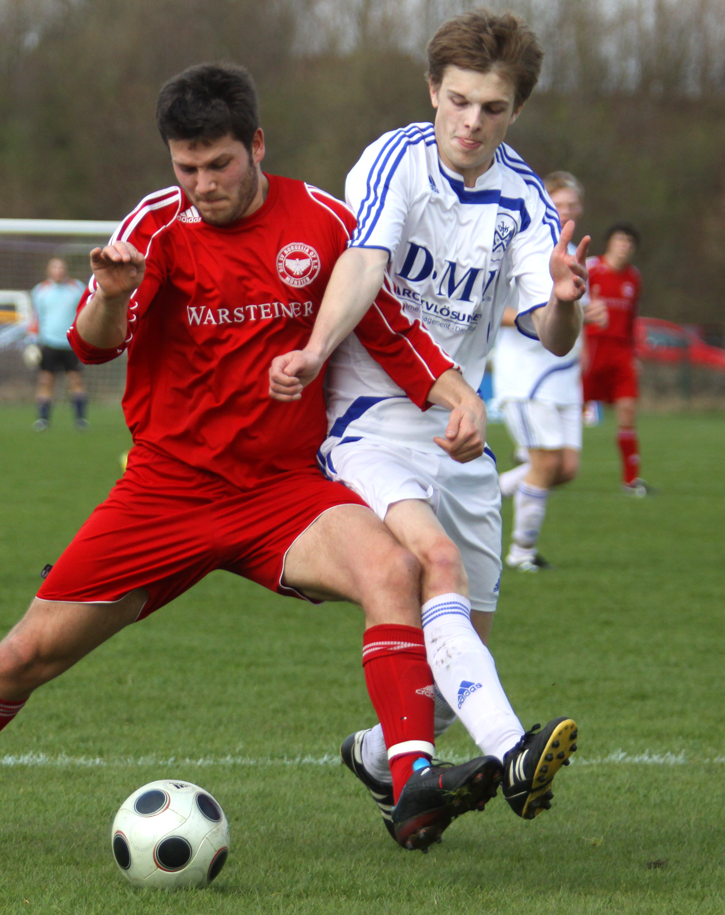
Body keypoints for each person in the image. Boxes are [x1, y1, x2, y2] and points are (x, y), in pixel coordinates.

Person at [0, 63, 502, 857]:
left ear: (257, 144)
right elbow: (93, 346)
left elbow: (386, 327)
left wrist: (453, 392)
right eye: (186, 167)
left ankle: (410, 782)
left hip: (283, 493)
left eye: (219, 164)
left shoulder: (326, 222)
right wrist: (107, 293)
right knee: (25, 655)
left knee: (393, 570)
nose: (202, 183)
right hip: (165, 493)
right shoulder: (156, 227)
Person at [270, 10, 582, 824]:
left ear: (517, 110)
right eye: (459, 100)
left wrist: (570, 303)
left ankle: (377, 757)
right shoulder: (393, 161)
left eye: (493, 107)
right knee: (432, 560)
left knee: (459, 661)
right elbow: (365, 262)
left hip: (461, 432)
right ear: (432, 91)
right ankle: (517, 753)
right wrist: (315, 348)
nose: (472, 122)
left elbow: (547, 328)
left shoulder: (524, 199)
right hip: (371, 417)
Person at [493, 171, 607, 571]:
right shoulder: (517, 247)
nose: (567, 211)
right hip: (526, 376)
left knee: (566, 469)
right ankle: (522, 553)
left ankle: (483, 490)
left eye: (573, 205)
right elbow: (493, 310)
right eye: (559, 204)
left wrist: (591, 320)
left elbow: (576, 315)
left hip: (565, 377)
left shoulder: (575, 252)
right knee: (544, 464)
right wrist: (539, 316)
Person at [583, 222, 649, 495]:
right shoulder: (590, 268)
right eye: (620, 240)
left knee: (627, 411)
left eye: (629, 242)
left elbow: (631, 318)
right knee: (569, 411)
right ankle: (540, 464)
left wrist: (634, 354)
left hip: (621, 353)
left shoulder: (633, 277)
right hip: (591, 350)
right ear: (609, 242)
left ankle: (630, 480)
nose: (625, 246)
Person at [30, 257, 88, 430]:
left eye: (61, 267)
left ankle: (80, 420)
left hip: (72, 344)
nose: (58, 271)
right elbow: (35, 318)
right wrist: (32, 342)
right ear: (49, 270)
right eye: (54, 267)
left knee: (76, 381)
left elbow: (86, 313)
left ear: (65, 269)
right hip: (49, 343)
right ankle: (43, 420)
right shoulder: (40, 291)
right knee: (46, 382)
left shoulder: (77, 288)